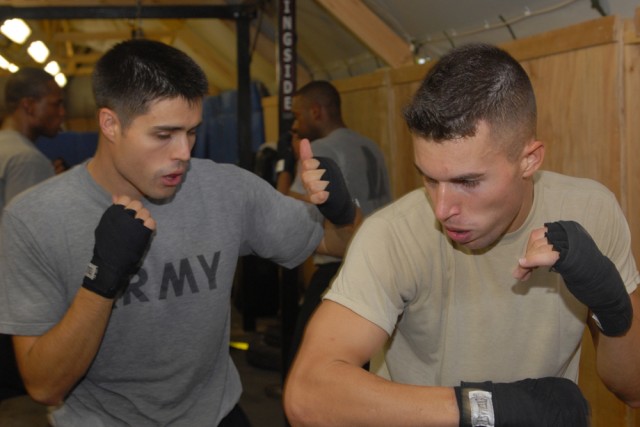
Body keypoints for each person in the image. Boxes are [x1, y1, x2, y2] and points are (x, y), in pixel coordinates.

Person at [0, 39, 358, 426]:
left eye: (191, 132)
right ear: (110, 124)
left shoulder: (226, 190)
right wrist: (100, 283)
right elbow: (43, 386)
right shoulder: (33, 218)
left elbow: (337, 244)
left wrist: (341, 212)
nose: (184, 153)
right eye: (164, 135)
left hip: (215, 415)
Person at [284, 43, 640, 426]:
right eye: (429, 178)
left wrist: (611, 305)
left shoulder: (591, 212)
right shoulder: (395, 235)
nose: (442, 209)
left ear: (529, 159)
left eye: (467, 181)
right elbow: (308, 394)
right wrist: (489, 409)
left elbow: (633, 390)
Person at [284, 80, 392, 368]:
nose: (296, 122)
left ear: (316, 112)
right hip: (380, 266)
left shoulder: (319, 149)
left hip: (338, 269)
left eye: (298, 115)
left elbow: (295, 207)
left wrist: (284, 180)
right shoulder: (370, 145)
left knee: (307, 365)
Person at [0, 67, 65, 403]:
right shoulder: (27, 159)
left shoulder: (6, 149)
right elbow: (29, 247)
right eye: (54, 104)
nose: (61, 112)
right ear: (28, 105)